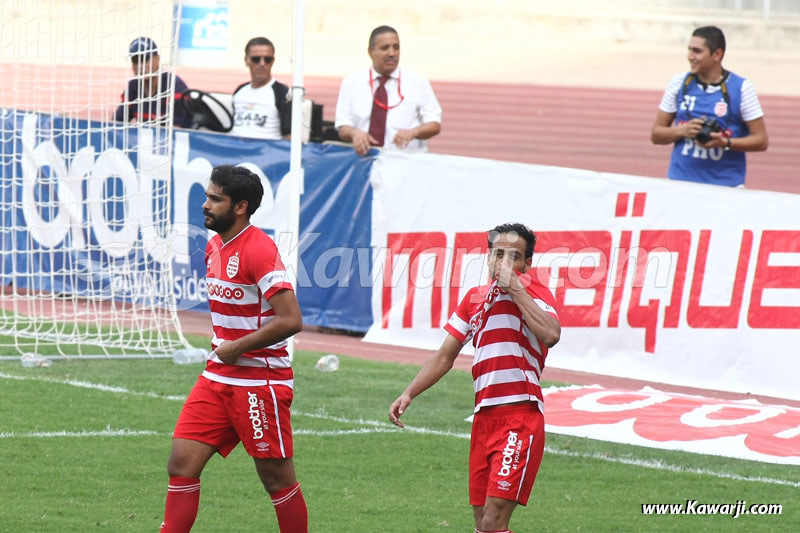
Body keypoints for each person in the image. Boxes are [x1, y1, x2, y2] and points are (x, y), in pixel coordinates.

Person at [160, 165, 307, 532]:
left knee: (276, 478)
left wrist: (236, 347)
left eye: (215, 198)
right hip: (217, 377)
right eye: (207, 196)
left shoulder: (259, 249)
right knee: (181, 462)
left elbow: (291, 319)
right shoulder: (214, 245)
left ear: (240, 206)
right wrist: (225, 351)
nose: (205, 205)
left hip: (260, 383)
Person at [389, 223, 561, 533]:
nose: (504, 261)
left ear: (527, 264)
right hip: (483, 419)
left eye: (514, 255)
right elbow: (445, 356)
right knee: (482, 523)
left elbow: (551, 334)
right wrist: (409, 393)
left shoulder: (534, 291)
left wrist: (516, 289)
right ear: (488, 257)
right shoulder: (474, 298)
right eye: (498, 254)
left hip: (519, 416)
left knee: (495, 519)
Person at [650, 25, 768, 187]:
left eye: (697, 51)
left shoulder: (741, 88)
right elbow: (656, 135)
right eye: (689, 50)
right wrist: (682, 131)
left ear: (717, 54)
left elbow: (761, 140)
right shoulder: (678, 83)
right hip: (680, 183)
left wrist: (725, 143)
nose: (690, 56)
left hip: (726, 187)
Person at [335, 25, 442, 156]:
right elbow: (343, 127)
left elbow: (434, 124)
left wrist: (413, 132)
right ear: (370, 51)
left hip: (406, 162)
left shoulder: (418, 82)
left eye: (396, 47)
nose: (392, 53)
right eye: (384, 48)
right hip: (365, 161)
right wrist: (355, 133)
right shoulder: (351, 82)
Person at [114, 37, 192, 128]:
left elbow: (176, 131)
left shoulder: (174, 85)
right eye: (135, 61)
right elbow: (117, 123)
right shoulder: (133, 87)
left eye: (145, 59)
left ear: (157, 59)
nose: (140, 66)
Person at [230, 37, 293, 139]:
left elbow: (289, 136)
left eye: (267, 59)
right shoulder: (240, 90)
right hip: (234, 150)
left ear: (273, 61)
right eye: (256, 59)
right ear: (247, 60)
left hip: (266, 152)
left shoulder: (283, 93)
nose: (262, 64)